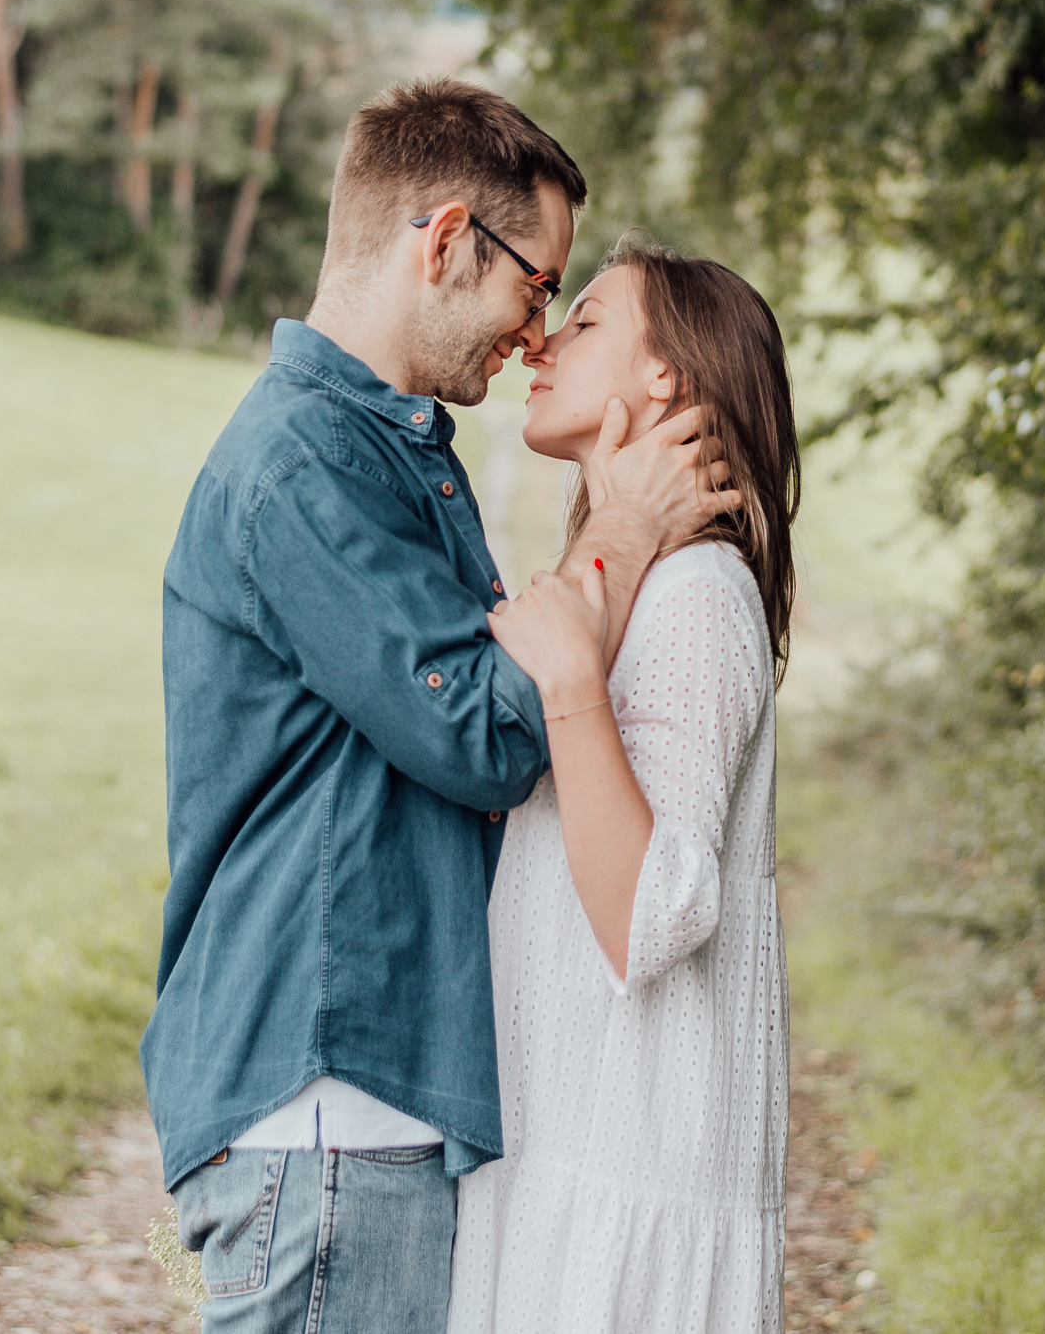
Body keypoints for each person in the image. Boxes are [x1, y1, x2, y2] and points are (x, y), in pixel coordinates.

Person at [146, 82, 740, 1334]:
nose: (535, 335)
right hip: (325, 1088)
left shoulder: (384, 449)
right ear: (446, 239)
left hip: (353, 1100)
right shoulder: (306, 463)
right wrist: (624, 538)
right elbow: (478, 730)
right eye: (537, 287)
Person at [447, 237, 801, 1334]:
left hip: (617, 1191)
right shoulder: (637, 581)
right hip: (559, 1153)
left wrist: (567, 685)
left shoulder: (695, 593)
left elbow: (653, 910)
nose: (543, 340)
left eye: (586, 319)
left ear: (669, 379)